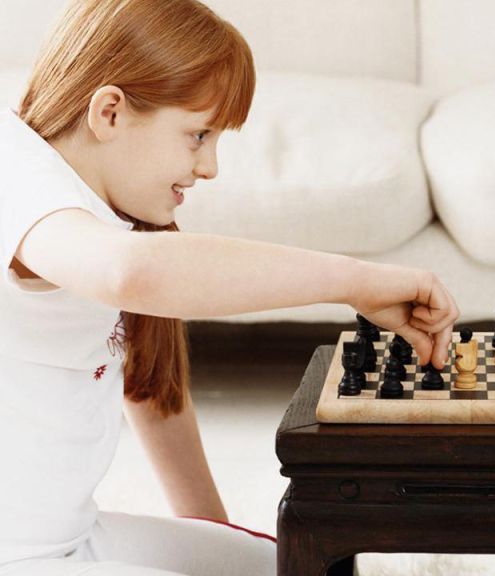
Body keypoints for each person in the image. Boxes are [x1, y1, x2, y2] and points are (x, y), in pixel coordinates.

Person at [0, 0, 459, 574]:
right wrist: (355, 281)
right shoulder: (14, 168)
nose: (211, 166)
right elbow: (130, 272)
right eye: (198, 135)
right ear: (109, 113)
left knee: (303, 565)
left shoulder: (107, 211)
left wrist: (210, 541)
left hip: (70, 540)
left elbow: (152, 390)